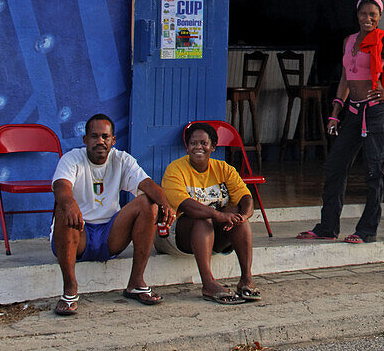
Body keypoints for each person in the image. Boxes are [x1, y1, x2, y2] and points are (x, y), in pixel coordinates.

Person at [297, 0, 384, 243]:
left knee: (374, 173)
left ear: (379, 17)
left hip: (376, 112)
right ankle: (327, 227)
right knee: (335, 166)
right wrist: (335, 113)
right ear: (357, 15)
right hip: (353, 112)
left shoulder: (383, 41)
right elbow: (346, 78)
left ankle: (366, 231)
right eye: (364, 14)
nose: (368, 18)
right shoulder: (350, 41)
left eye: (373, 15)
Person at [50, 113, 175, 316]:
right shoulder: (72, 158)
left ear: (112, 140)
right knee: (63, 207)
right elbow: (61, 187)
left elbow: (148, 184)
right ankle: (70, 290)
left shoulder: (121, 159)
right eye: (94, 136)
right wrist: (69, 202)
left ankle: (136, 282)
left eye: (105, 137)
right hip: (78, 234)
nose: (100, 141)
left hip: (109, 235)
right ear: (85, 140)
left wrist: (165, 205)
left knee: (148, 203)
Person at [157, 122, 259, 305]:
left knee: (238, 217)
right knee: (203, 218)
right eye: (193, 143)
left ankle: (246, 279)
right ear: (187, 148)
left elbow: (246, 198)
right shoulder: (175, 169)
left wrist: (243, 216)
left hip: (213, 236)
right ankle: (208, 283)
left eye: (204, 143)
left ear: (213, 147)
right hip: (175, 237)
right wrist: (218, 216)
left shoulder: (224, 169)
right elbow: (187, 206)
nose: (198, 147)